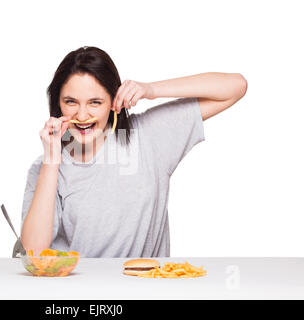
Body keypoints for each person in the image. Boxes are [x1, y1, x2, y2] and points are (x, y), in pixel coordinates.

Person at [20, 46, 247, 258]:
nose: (81, 115)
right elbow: (33, 252)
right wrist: (51, 161)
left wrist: (152, 89)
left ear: (113, 102)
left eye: (95, 102)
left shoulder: (148, 135)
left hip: (147, 289)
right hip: (82, 292)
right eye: (71, 102)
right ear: (58, 104)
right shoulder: (45, 168)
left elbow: (236, 86)